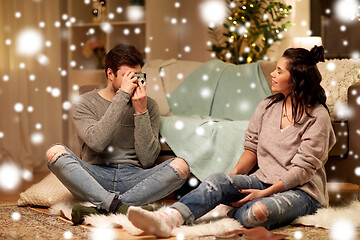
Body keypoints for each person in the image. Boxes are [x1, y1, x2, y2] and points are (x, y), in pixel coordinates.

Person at [127, 45, 336, 237]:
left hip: (302, 191)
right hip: (262, 179)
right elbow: (251, 148)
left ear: (297, 79)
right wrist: (234, 177)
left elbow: (303, 171)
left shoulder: (318, 117)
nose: (272, 74)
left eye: (279, 71)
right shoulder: (267, 107)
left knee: (257, 212)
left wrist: (264, 193)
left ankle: (233, 209)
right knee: (218, 181)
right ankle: (169, 219)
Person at [45, 44, 189, 225]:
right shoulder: (85, 102)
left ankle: (101, 207)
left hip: (134, 179)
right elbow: (97, 143)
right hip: (95, 177)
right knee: (54, 152)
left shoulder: (148, 105)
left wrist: (141, 111)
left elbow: (147, 160)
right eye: (127, 76)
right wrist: (122, 96)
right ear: (110, 74)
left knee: (181, 166)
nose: (134, 81)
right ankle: (122, 208)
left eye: (136, 75)